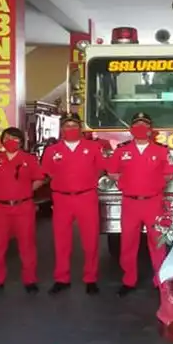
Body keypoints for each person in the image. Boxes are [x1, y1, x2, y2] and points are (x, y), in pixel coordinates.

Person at [107, 112, 173, 297]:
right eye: (137, 125)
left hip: (153, 202)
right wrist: (125, 182)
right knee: (128, 243)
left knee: (157, 243)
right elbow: (112, 171)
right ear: (131, 129)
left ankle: (160, 280)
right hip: (130, 203)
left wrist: (156, 184)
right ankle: (129, 280)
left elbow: (169, 173)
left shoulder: (161, 150)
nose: (140, 129)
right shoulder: (122, 150)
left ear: (150, 130)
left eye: (144, 126)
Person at [42, 113, 106, 295]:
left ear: (80, 128)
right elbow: (47, 172)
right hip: (62, 198)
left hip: (86, 197)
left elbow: (102, 168)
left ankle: (91, 278)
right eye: (67, 126)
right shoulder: (52, 150)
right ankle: (62, 278)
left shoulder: (93, 147)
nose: (71, 129)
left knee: (90, 239)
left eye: (74, 125)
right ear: (61, 129)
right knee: (61, 240)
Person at [0, 127, 44, 297]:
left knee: (27, 245)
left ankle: (30, 280)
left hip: (23, 207)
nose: (11, 141)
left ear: (21, 142)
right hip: (0, 208)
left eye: (15, 138)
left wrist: (24, 192)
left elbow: (39, 178)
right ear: (2, 141)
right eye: (7, 138)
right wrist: (3, 192)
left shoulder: (29, 159)